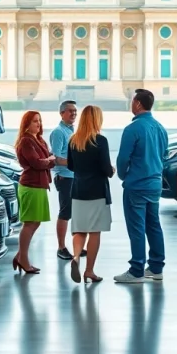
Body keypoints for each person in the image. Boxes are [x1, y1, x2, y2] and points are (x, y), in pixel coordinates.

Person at [114, 89, 169, 284]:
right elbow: (165, 157)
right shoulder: (160, 128)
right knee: (153, 225)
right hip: (154, 185)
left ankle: (136, 269)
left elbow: (122, 159)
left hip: (136, 185)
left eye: (132, 101)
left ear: (137, 104)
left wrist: (124, 176)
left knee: (136, 228)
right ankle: (156, 267)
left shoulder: (133, 129)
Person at [66, 105, 114, 284]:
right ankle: (89, 271)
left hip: (78, 191)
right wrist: (112, 170)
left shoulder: (73, 140)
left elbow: (71, 166)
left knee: (79, 229)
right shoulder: (100, 141)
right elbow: (105, 168)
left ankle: (76, 257)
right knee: (94, 231)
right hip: (97, 191)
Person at [14, 111, 56, 275]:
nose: (38, 124)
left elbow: (47, 161)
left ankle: (20, 256)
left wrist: (47, 161)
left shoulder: (39, 139)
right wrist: (48, 161)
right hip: (31, 185)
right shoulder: (26, 141)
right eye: (34, 121)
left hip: (39, 185)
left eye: (39, 121)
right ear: (26, 124)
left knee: (35, 222)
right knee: (30, 223)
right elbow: (37, 163)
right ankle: (23, 259)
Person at [50, 100, 83, 261]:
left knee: (76, 212)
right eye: (70, 111)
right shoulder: (58, 132)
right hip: (65, 178)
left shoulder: (73, 131)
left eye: (75, 111)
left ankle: (77, 246)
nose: (73, 114)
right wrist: (74, 163)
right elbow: (55, 158)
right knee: (65, 213)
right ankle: (61, 247)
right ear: (62, 113)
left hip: (75, 177)